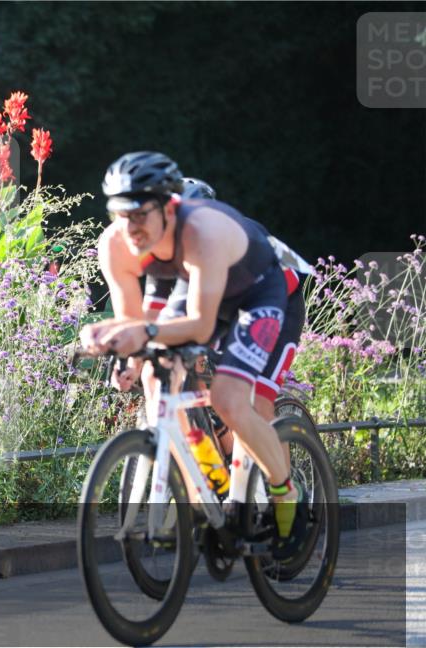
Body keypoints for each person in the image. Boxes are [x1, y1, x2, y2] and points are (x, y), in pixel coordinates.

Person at [80, 151, 308, 560]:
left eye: (140, 215)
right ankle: (209, 494)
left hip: (260, 294)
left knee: (234, 400)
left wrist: (143, 334)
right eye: (119, 214)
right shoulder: (114, 245)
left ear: (170, 208)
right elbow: (135, 320)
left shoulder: (202, 231)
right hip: (205, 291)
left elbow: (201, 327)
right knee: (156, 379)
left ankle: (284, 493)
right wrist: (123, 352)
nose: (129, 228)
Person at [141, 177, 308, 456]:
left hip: (278, 302)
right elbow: (153, 313)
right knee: (178, 370)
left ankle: (283, 493)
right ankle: (213, 457)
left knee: (254, 403)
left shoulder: (221, 240)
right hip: (227, 305)